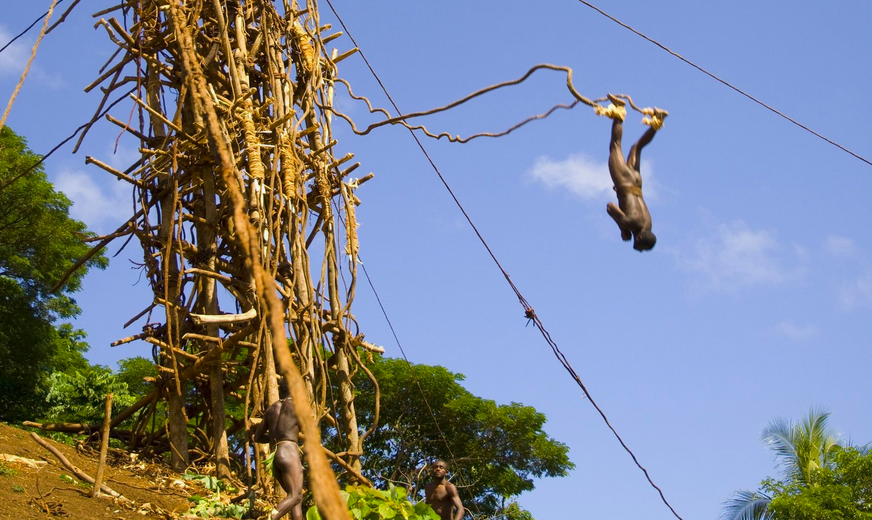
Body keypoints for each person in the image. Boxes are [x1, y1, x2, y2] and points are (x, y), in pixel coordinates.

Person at [595, 94, 667, 252]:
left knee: (636, 147)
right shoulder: (630, 224)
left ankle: (657, 122)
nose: (639, 250)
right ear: (640, 238)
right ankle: (619, 111)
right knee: (615, 146)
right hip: (624, 181)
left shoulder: (648, 223)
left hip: (636, 182)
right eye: (641, 247)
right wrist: (622, 228)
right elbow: (610, 207)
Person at [253, 396, 303, 520]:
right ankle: (271, 517)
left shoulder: (270, 410)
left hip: (276, 454)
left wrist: (274, 438)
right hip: (290, 451)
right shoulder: (296, 404)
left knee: (296, 497)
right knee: (295, 496)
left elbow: (257, 437)